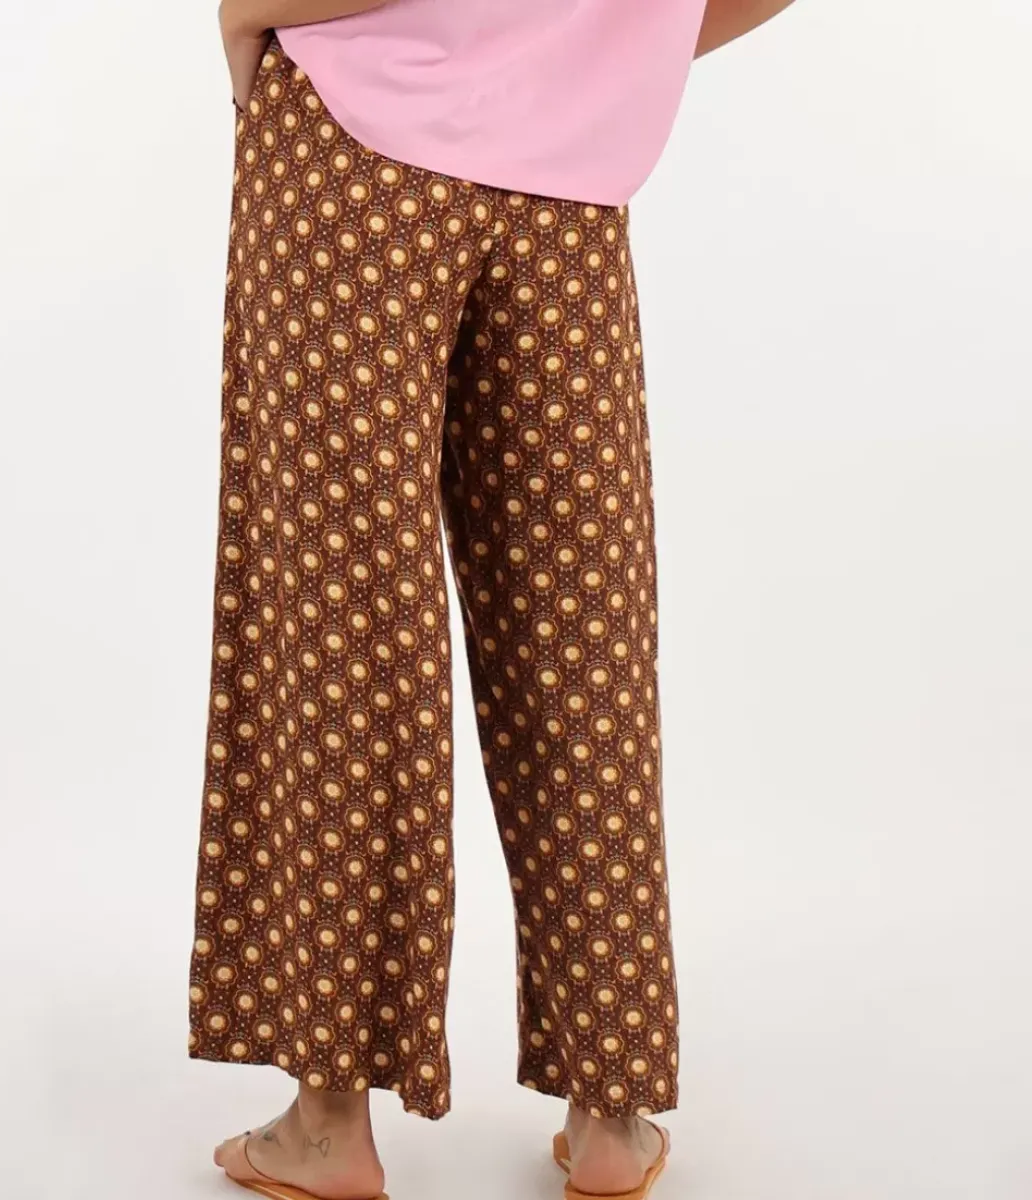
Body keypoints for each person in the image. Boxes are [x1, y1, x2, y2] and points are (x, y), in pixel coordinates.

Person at [191, 3, 797, 1199]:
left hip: (354, 156)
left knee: (343, 622)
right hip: (571, 181)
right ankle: (611, 1110)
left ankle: (328, 1121)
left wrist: (244, 11)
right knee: (582, 640)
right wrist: (594, 42)